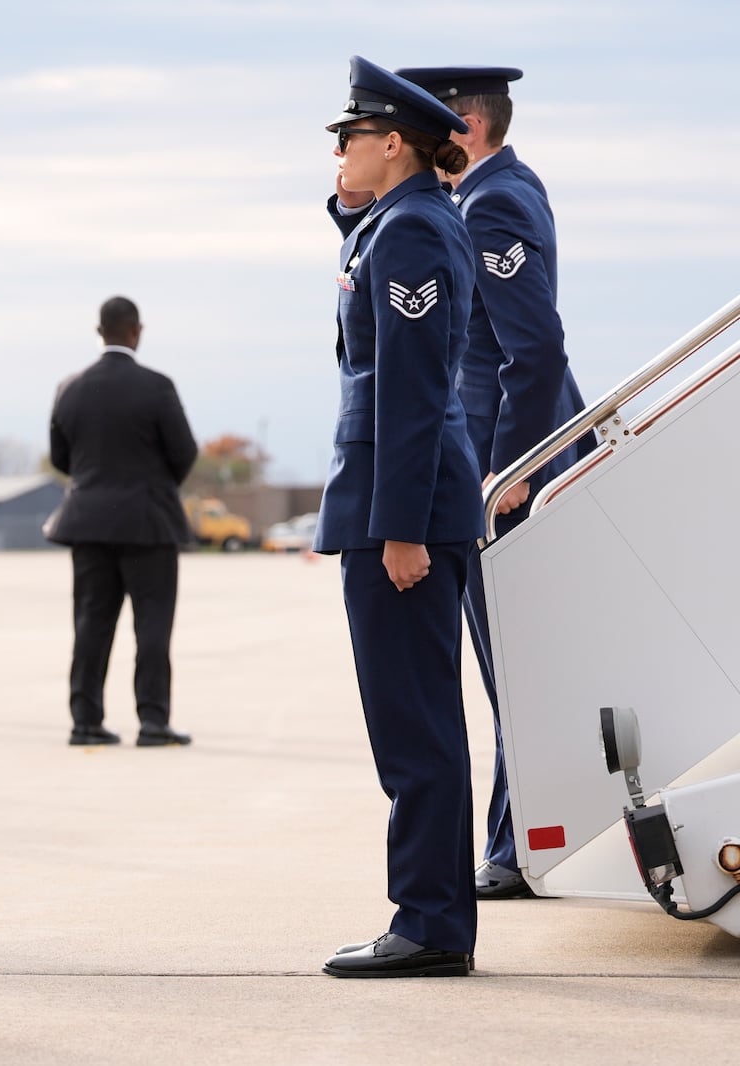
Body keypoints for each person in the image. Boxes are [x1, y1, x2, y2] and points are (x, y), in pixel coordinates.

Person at [394, 65, 594, 901]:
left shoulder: (492, 203)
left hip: (501, 473)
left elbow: (533, 348)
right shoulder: (505, 189)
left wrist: (508, 470)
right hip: (499, 464)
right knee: (516, 662)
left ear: (466, 126)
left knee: (510, 663)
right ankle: (516, 840)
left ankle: (515, 847)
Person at [314, 57, 483, 978]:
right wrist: (348, 205)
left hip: (401, 513)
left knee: (414, 726)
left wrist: (402, 528)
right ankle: (433, 916)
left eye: (350, 138)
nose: (339, 151)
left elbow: (412, 392)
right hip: (397, 504)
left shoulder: (412, 236)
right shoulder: (399, 225)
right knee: (414, 722)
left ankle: (429, 923)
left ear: (393, 143)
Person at [43, 296, 197, 747]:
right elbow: (184, 452)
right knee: (151, 624)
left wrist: (95, 483)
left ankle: (85, 721)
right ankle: (152, 721)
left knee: (91, 623)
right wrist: (153, 484)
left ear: (99, 331)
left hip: (87, 522)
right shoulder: (157, 386)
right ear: (137, 331)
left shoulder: (68, 387)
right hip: (149, 522)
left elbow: (60, 457)